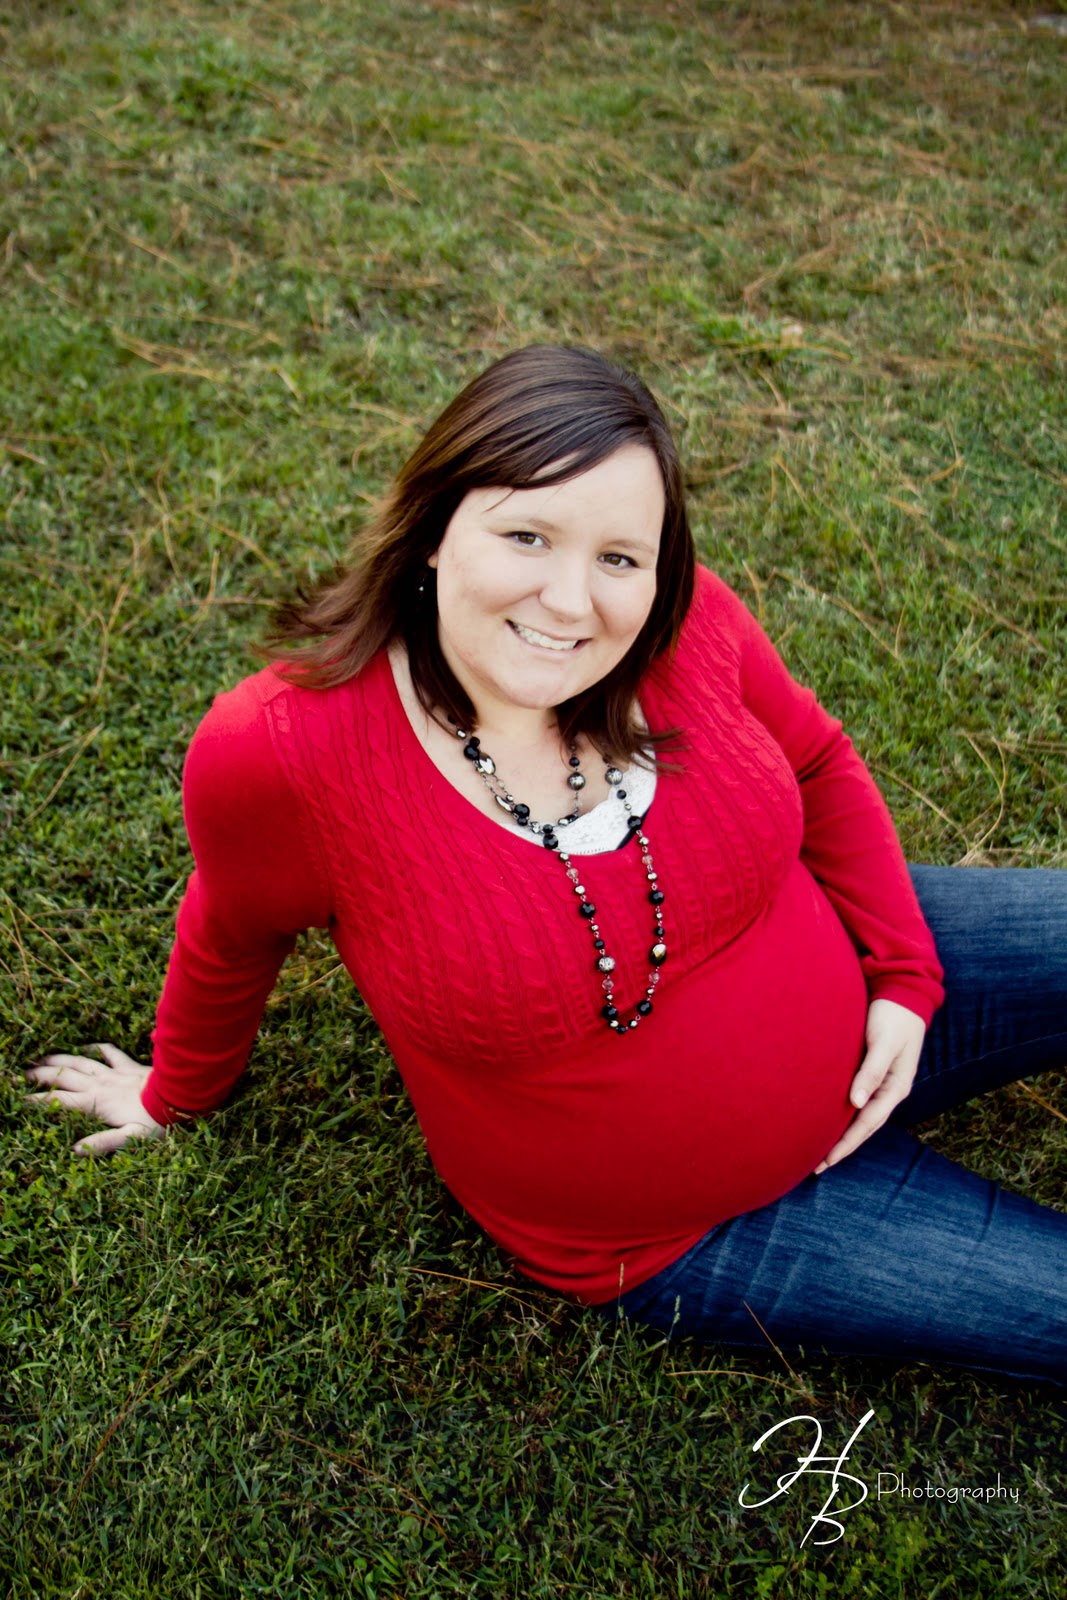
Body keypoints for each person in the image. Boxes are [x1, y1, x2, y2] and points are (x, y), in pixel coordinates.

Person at [26, 344, 1067, 1387]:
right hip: (690, 1225)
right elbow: (232, 926)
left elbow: (815, 757)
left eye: (619, 557)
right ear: (433, 526)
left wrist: (903, 976)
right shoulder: (283, 752)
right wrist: (174, 1093)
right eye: (526, 535)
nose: (572, 602)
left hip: (862, 984)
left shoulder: (682, 622)